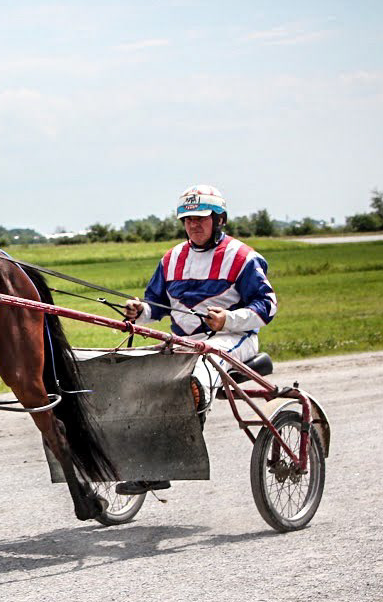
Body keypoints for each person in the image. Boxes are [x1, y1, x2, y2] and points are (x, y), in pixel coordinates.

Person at [116, 185, 278, 496]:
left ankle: (165, 463)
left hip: (232, 339)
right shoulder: (172, 258)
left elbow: (267, 306)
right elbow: (156, 305)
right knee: (135, 374)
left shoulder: (242, 257)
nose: (194, 225)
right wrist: (140, 311)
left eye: (201, 218)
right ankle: (138, 457)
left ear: (220, 219)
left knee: (193, 379)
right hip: (184, 342)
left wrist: (228, 319)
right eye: (188, 219)